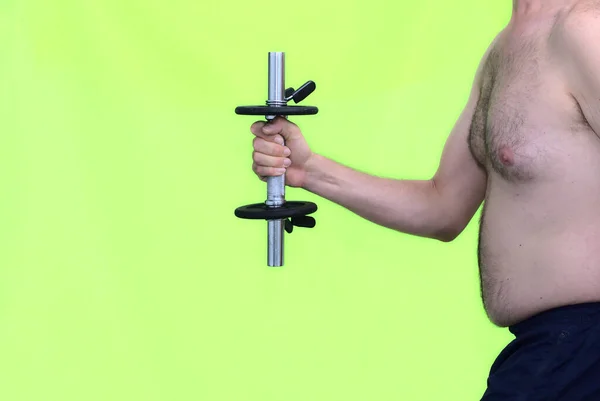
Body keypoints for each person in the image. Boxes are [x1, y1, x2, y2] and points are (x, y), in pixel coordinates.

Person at [249, 0, 600, 399]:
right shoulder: (506, 46)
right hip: (543, 353)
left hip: (584, 356)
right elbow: (443, 208)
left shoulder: (585, 29)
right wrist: (307, 170)